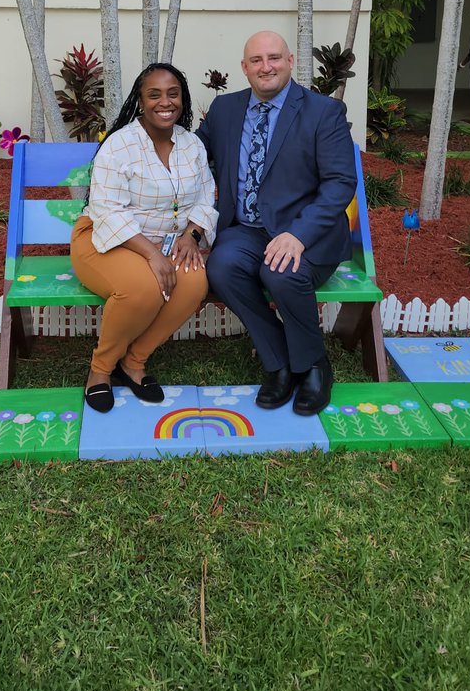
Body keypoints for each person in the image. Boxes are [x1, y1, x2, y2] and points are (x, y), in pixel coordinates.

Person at [196, 31, 356, 416]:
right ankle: (279, 359)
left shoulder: (323, 111)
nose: (265, 67)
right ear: (245, 68)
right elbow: (192, 153)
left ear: (289, 60)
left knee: (280, 272)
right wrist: (136, 140)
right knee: (221, 266)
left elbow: (340, 183)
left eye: (273, 58)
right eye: (256, 60)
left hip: (307, 234)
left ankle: (313, 364)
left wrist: (298, 235)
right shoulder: (225, 110)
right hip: (247, 230)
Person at [70, 63, 218, 413]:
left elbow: (205, 196)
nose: (164, 102)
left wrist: (191, 236)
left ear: (182, 99)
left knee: (194, 282)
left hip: (167, 244)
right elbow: (107, 210)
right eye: (154, 95)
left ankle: (134, 362)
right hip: (104, 240)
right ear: (140, 101)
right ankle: (100, 370)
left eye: (173, 93)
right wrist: (152, 255)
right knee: (143, 287)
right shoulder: (120, 145)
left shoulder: (191, 145)